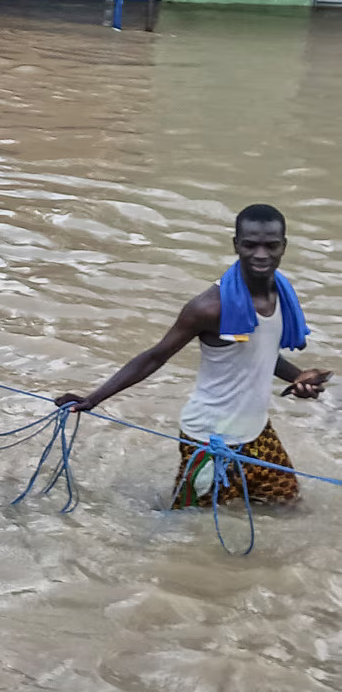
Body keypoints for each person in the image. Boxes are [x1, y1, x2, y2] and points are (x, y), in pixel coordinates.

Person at [56, 205, 330, 508]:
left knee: (288, 506)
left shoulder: (281, 293)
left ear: (284, 246)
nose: (261, 254)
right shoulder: (209, 308)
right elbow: (155, 356)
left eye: (271, 245)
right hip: (210, 438)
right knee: (188, 522)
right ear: (236, 244)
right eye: (250, 245)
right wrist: (93, 399)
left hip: (257, 430)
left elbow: (257, 352)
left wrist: (298, 377)